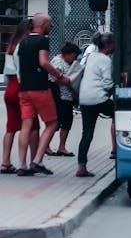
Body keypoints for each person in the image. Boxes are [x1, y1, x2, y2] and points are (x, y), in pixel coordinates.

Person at [17, 13, 67, 176]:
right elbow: (44, 62)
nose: (50, 27)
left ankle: (22, 165)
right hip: (40, 88)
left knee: (26, 126)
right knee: (52, 123)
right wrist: (59, 75)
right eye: (50, 24)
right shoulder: (42, 40)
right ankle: (37, 160)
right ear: (43, 24)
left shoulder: (23, 41)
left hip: (24, 90)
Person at [1, 20, 39, 174]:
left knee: (10, 127)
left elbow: (6, 75)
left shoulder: (10, 46)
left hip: (10, 88)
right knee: (33, 126)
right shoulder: (25, 46)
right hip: (22, 87)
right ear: (29, 30)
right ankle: (33, 162)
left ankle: (5, 162)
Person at [76, 32, 115, 177]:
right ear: (108, 45)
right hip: (98, 98)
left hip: (85, 98)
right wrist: (114, 88)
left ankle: (81, 167)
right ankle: (118, 149)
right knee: (120, 114)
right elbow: (107, 83)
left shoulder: (91, 56)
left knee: (87, 133)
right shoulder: (106, 60)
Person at [49, 42, 82, 157]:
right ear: (68, 53)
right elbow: (54, 78)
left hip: (67, 97)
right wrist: (68, 81)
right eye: (73, 56)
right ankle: (46, 145)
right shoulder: (58, 61)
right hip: (59, 97)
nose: (74, 59)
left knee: (67, 122)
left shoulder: (70, 62)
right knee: (57, 123)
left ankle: (61, 147)